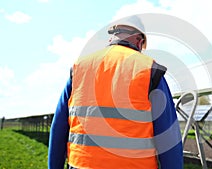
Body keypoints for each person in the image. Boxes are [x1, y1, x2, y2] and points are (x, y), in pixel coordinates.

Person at [48, 16, 183, 169]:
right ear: (139, 41)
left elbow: (59, 126)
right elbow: (168, 136)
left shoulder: (80, 67)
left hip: (81, 165)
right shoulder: (150, 70)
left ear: (112, 37)